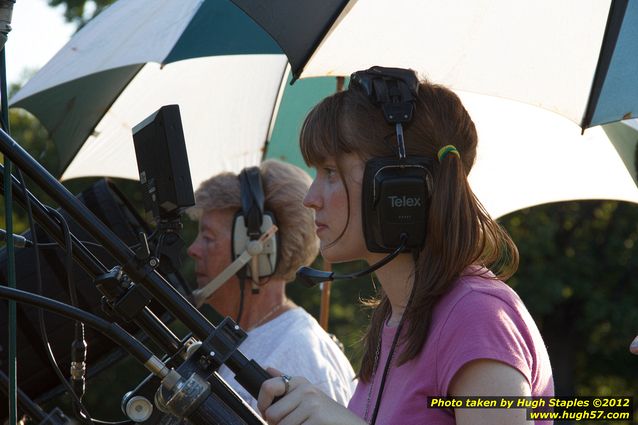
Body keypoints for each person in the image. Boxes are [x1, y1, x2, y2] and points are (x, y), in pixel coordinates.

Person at [257, 67, 554, 425]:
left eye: (330, 172)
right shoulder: (394, 318)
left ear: (400, 188)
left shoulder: (477, 315)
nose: (310, 198)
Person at [187, 159, 356, 412]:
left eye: (208, 238)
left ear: (259, 250)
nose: (193, 250)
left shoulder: (301, 356)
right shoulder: (249, 338)